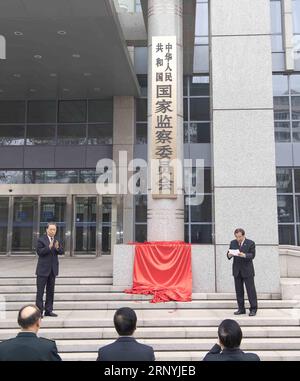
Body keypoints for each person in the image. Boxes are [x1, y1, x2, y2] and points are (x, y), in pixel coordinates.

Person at [227, 228, 258, 316]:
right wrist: (229, 254)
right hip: (237, 271)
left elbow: (252, 255)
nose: (238, 239)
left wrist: (244, 255)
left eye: (240, 236)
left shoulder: (250, 243)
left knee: (251, 291)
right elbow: (229, 253)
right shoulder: (233, 242)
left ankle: (253, 309)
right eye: (236, 237)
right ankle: (241, 309)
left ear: (243, 235)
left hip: (247, 271)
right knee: (239, 291)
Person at [35, 222, 64, 317]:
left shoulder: (57, 239)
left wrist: (57, 248)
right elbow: (39, 252)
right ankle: (39, 311)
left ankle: (49, 310)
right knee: (40, 292)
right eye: (51, 229)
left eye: (54, 229)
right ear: (46, 230)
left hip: (53, 270)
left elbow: (61, 252)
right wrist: (49, 247)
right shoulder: (41, 240)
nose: (52, 231)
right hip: (42, 270)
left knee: (50, 291)